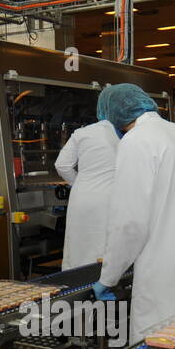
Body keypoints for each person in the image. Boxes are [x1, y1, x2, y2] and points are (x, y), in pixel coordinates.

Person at [93, 83, 175, 345]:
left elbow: (130, 222)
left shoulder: (137, 141)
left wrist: (109, 276)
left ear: (113, 115)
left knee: (156, 345)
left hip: (162, 267)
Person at [54, 94, 119, 269]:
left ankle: (74, 288)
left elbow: (62, 165)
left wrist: (81, 183)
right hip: (112, 197)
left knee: (78, 245)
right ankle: (104, 288)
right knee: (106, 248)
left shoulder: (82, 133)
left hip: (81, 198)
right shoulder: (125, 134)